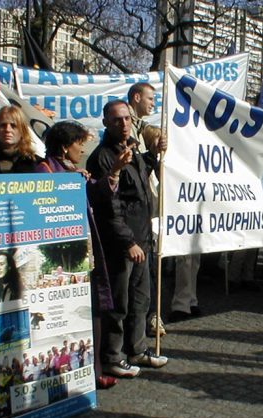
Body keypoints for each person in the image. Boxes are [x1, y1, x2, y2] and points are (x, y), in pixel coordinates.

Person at [87, 99, 168, 378]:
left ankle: (136, 349)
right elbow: (109, 207)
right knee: (118, 304)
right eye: (116, 120)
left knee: (140, 300)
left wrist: (156, 154)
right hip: (122, 245)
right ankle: (111, 356)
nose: (123, 125)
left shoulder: (132, 150)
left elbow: (144, 178)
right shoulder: (102, 157)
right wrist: (127, 242)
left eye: (126, 119)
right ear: (106, 124)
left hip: (142, 239)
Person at [35, 120, 118, 390]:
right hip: (62, 258)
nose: (82, 150)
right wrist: (67, 183)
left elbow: (98, 191)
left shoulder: (75, 171)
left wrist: (114, 171)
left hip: (86, 255)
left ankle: (91, 374)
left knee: (91, 313)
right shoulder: (45, 170)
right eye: (78, 144)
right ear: (63, 146)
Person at [128, 84, 167, 337]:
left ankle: (149, 317)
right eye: (150, 99)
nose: (153, 104)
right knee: (141, 273)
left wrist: (157, 138)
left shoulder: (141, 127)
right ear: (137, 97)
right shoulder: (128, 129)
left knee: (148, 270)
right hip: (134, 215)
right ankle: (144, 321)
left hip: (145, 210)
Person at [0, 105, 38, 174]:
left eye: (13, 126)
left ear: (23, 130)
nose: (7, 130)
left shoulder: (35, 163)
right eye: (3, 125)